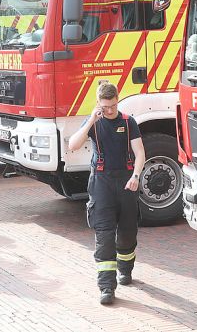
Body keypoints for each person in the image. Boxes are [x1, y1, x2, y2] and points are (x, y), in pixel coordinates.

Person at [67, 82, 145, 306]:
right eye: (105, 107)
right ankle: (106, 287)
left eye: (112, 106)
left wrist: (136, 176)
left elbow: (140, 153)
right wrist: (91, 119)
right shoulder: (95, 122)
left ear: (117, 101)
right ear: (99, 104)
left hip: (126, 182)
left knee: (128, 232)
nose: (109, 111)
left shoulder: (129, 123)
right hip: (101, 183)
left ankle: (126, 269)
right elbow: (73, 144)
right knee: (104, 235)